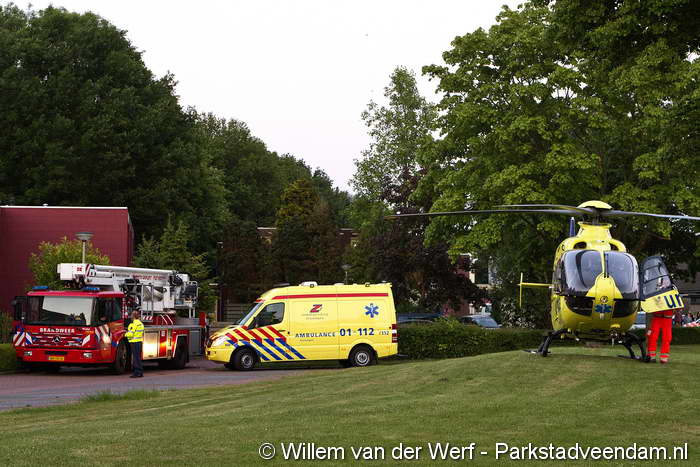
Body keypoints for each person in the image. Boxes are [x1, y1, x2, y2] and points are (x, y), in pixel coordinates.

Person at [125, 310, 145, 378]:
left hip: (134, 342)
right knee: (138, 357)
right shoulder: (140, 323)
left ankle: (136, 373)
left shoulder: (134, 324)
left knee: (135, 358)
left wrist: (125, 334)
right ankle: (140, 372)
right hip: (139, 342)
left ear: (133, 316)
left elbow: (131, 334)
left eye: (131, 315)